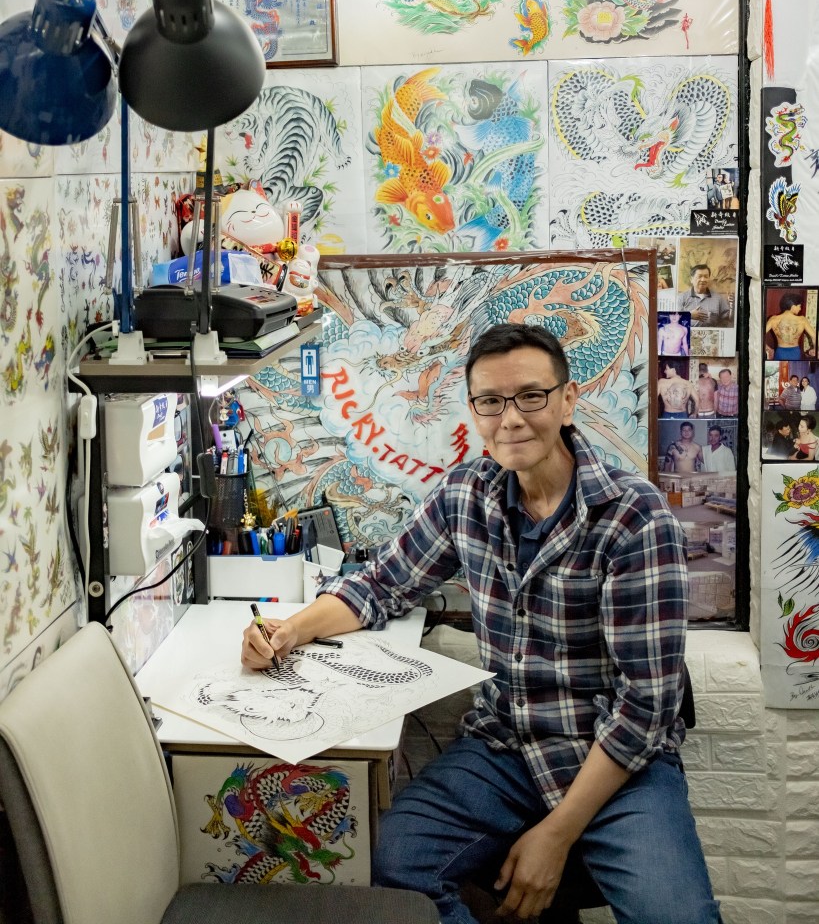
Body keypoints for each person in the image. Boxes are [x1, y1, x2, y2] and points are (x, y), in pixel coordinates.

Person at [240, 324, 722, 924]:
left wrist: (555, 836)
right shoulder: (466, 496)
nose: (510, 419)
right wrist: (289, 630)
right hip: (504, 746)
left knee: (676, 916)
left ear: (567, 400)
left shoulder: (634, 518)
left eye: (531, 397)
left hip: (613, 758)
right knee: (396, 861)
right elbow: (381, 585)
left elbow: (645, 707)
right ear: (474, 410)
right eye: (491, 402)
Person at [765, 292, 816, 360]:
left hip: (780, 352)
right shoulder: (802, 320)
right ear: (793, 306)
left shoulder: (773, 319)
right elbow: (814, 336)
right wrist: (815, 349)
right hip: (795, 352)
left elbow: (759, 335)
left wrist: (767, 348)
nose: (800, 309)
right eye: (799, 306)